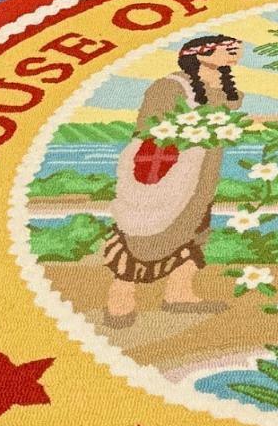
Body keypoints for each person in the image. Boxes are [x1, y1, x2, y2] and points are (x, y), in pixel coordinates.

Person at [103, 34, 244, 325]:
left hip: (202, 172)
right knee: (146, 228)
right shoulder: (170, 86)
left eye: (236, 49)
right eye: (227, 48)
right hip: (167, 171)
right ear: (201, 53)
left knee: (194, 226)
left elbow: (223, 122)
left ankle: (179, 293)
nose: (234, 52)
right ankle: (121, 298)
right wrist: (198, 128)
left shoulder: (222, 88)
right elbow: (150, 128)